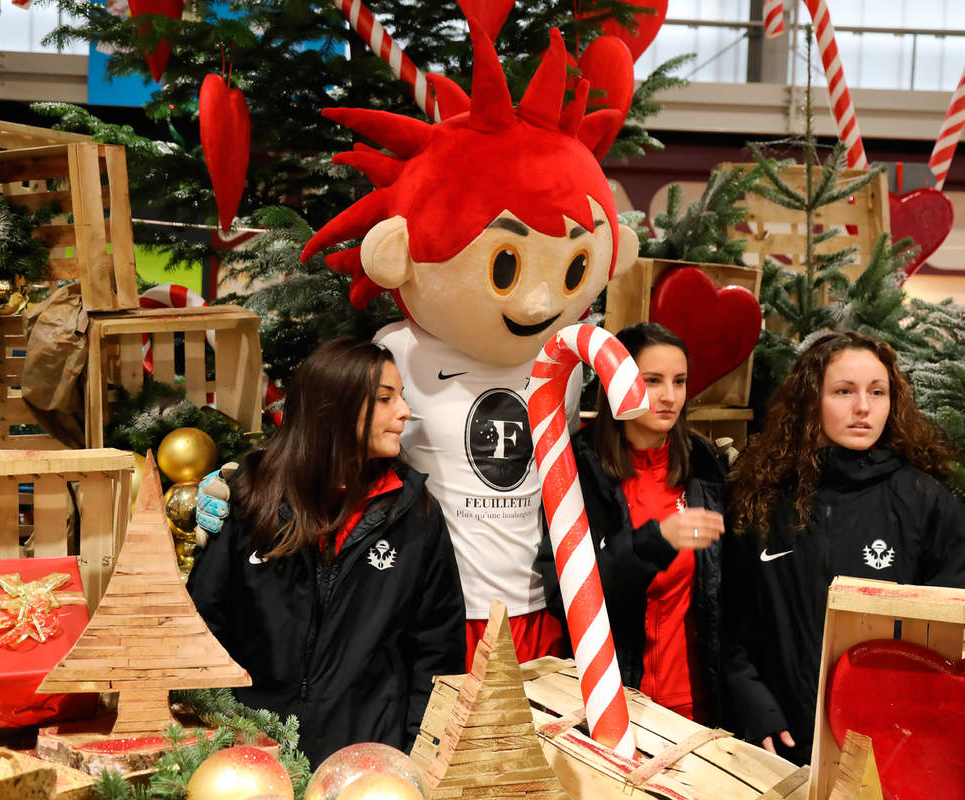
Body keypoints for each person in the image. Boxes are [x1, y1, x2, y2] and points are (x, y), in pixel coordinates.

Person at [199, 19, 641, 668]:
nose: (540, 303)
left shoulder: (574, 357)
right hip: (428, 610)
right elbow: (326, 453)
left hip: (542, 614)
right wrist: (240, 490)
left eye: (573, 271)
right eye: (506, 268)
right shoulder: (397, 354)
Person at [187, 338, 465, 767]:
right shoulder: (249, 497)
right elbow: (201, 630)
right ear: (333, 409)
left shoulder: (415, 514)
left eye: (402, 397)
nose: (405, 412)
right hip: (251, 760)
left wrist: (417, 761)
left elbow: (436, 654)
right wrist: (214, 737)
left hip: (367, 763)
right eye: (386, 399)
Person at [726, 330, 965, 764]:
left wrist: (916, 719)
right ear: (811, 400)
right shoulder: (762, 498)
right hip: (780, 737)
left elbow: (964, 625)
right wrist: (756, 706)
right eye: (844, 391)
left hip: (890, 742)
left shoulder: (924, 501)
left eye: (877, 392)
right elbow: (732, 622)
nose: (863, 407)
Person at [538, 322, 790, 741]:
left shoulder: (706, 469)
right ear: (616, 383)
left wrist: (749, 700)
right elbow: (567, 596)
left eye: (679, 381)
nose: (669, 396)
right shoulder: (578, 470)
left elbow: (730, 603)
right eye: (651, 381)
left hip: (698, 709)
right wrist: (653, 542)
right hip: (609, 707)